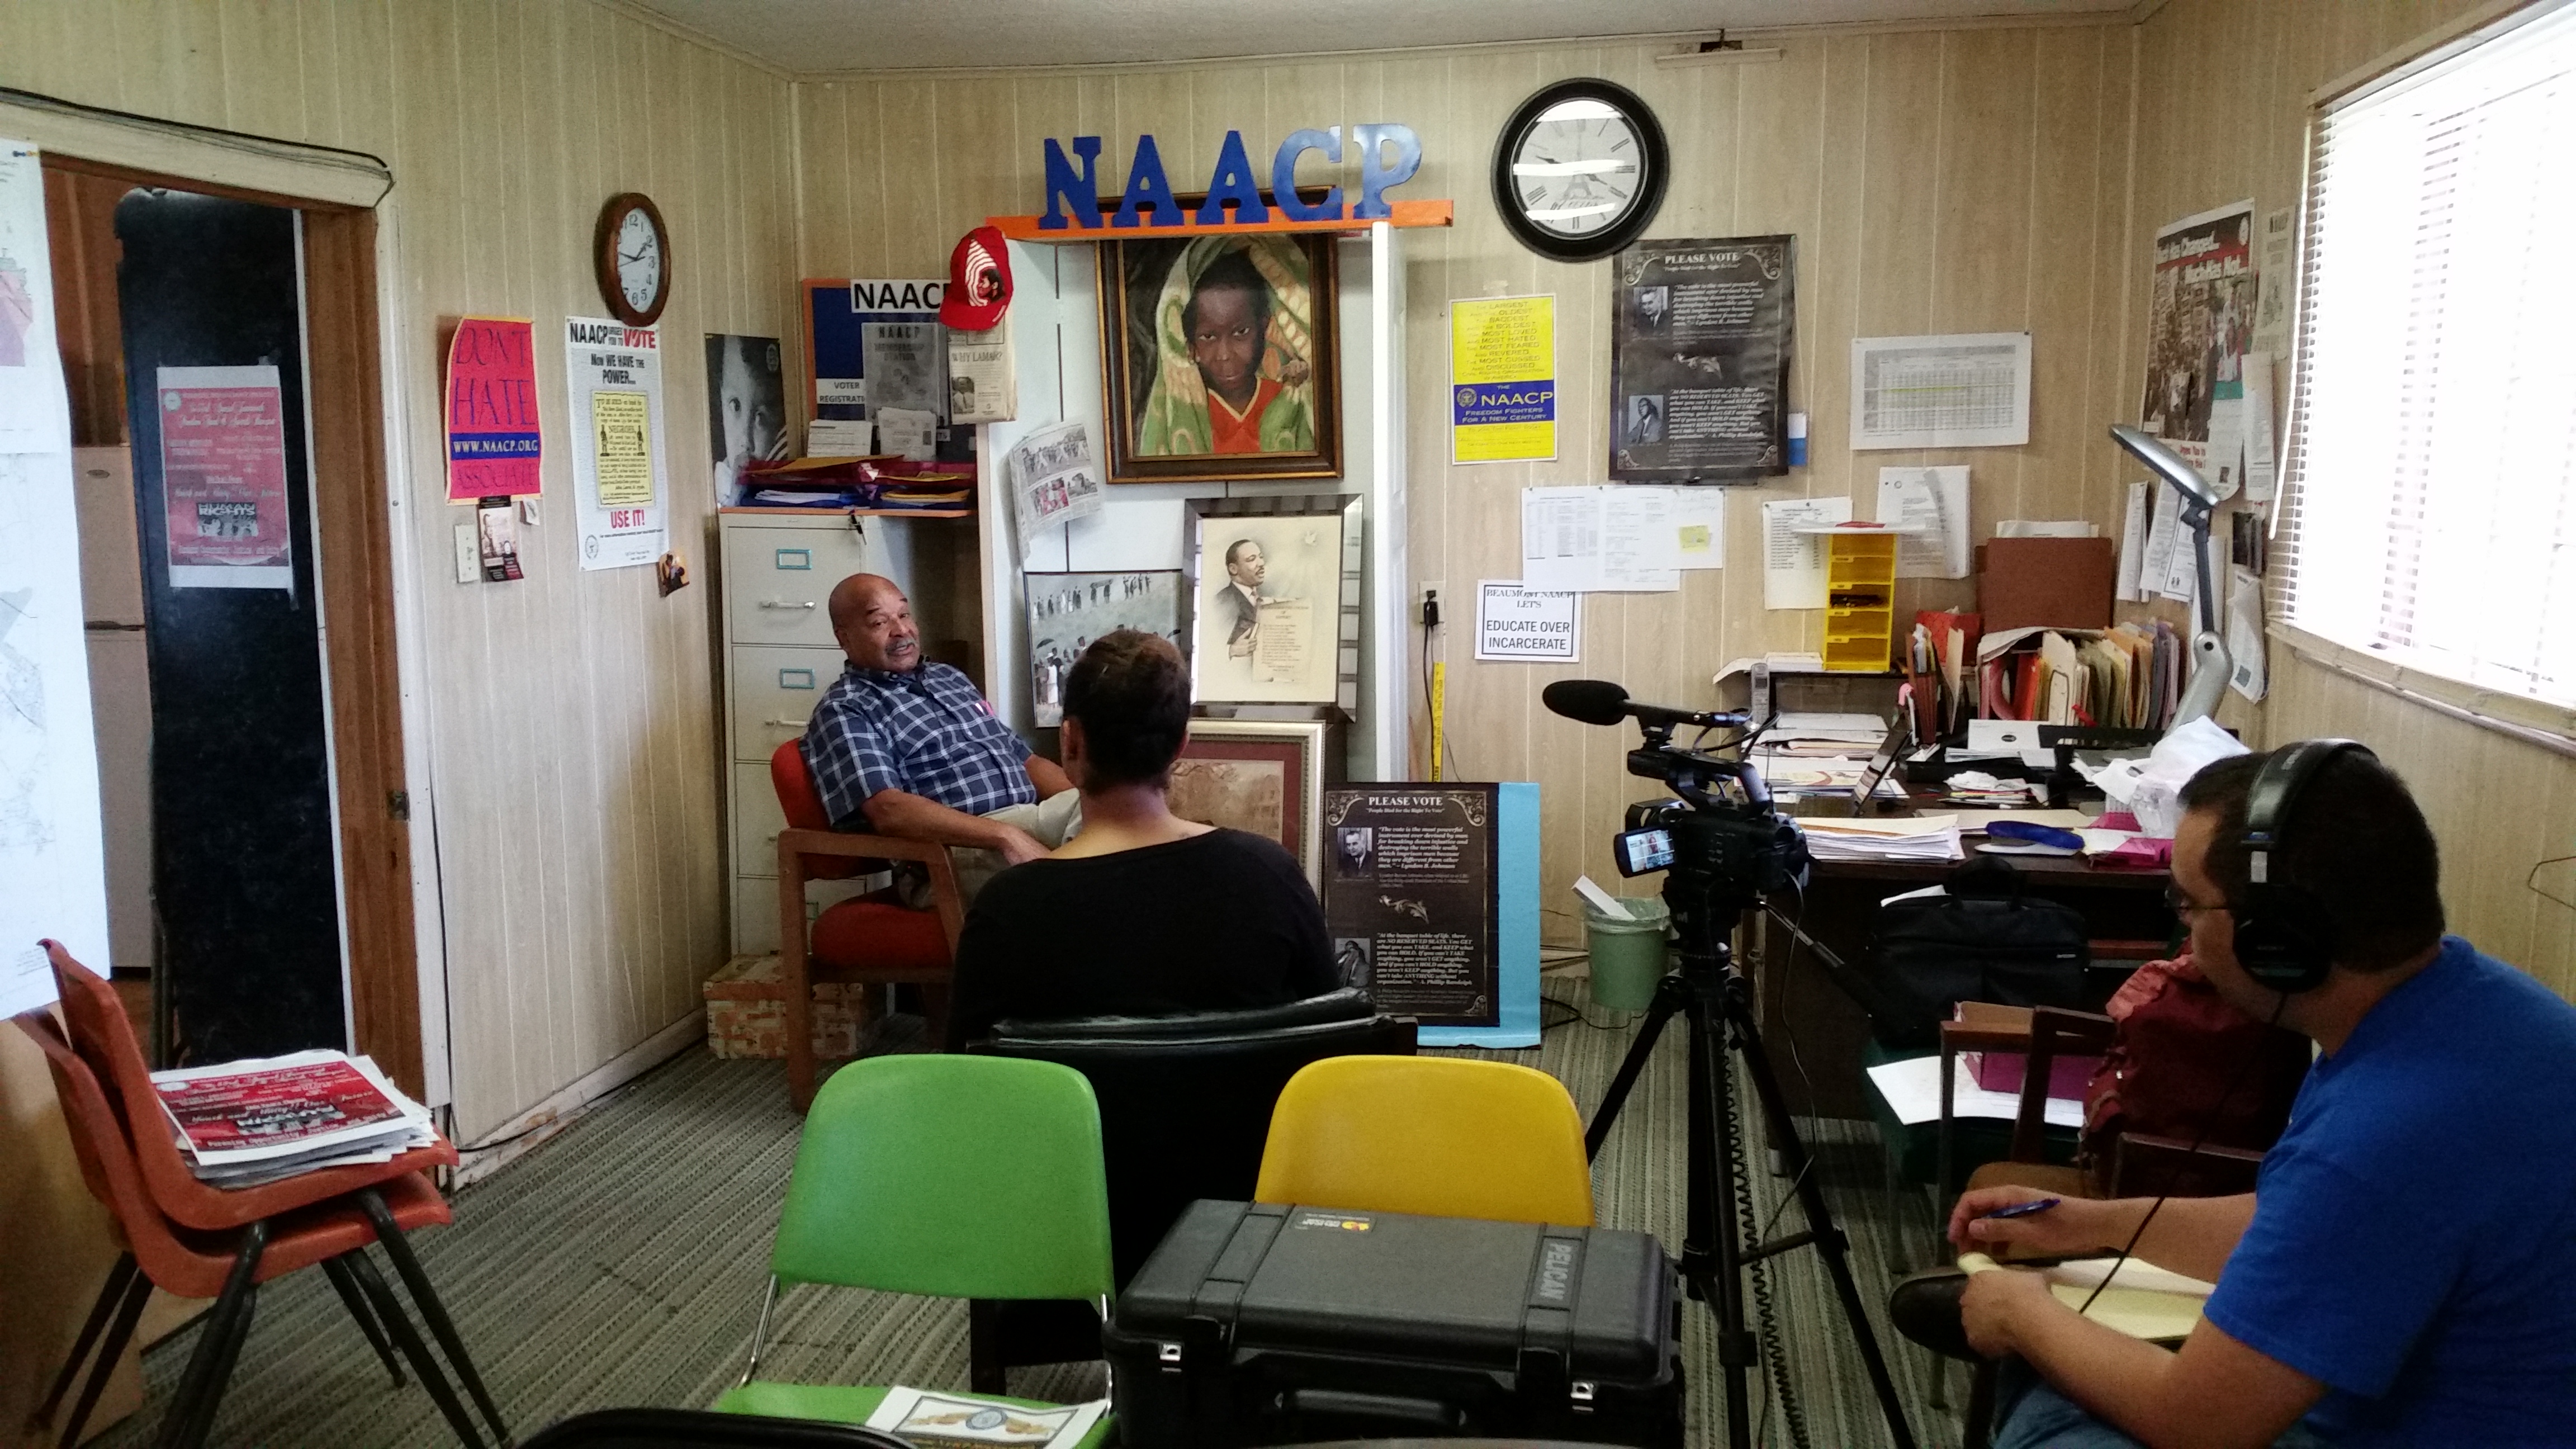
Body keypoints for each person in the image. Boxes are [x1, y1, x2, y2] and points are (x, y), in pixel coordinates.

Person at [1938, 745, 2576, 1448]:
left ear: (2275, 939)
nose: (2182, 934)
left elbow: (2197, 1424)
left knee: (2050, 1400)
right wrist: (2097, 1224)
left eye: (2188, 904)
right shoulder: (2478, 1008)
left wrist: (2024, 1314)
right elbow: (2310, 1229)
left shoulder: (2383, 1135)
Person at [943, 630, 1337, 1048]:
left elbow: (970, 1078)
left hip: (1074, 1116)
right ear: (1180, 745)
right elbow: (1332, 1038)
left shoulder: (1007, 908)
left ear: (1070, 741)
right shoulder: (1270, 875)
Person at [800, 574, 1076, 886]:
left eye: (904, 615)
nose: (901, 630)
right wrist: (1005, 836)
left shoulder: (948, 678)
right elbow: (889, 810)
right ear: (844, 638)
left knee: (1124, 809)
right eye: (880, 623)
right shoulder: (846, 708)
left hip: (1025, 822)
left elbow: (1026, 761)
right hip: (953, 853)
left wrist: (1088, 802)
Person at [1134, 236, 1315, 457]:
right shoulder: (1191, 416)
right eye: (1209, 337)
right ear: (1189, 347)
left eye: (1240, 333)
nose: (1225, 354)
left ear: (1264, 326)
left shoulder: (1287, 397)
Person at [1215, 538, 1265, 658]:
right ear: (1233, 569)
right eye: (1252, 559)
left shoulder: (1265, 598)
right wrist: (1230, 650)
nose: (1261, 563)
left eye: (1261, 557)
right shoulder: (1221, 603)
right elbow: (1206, 646)